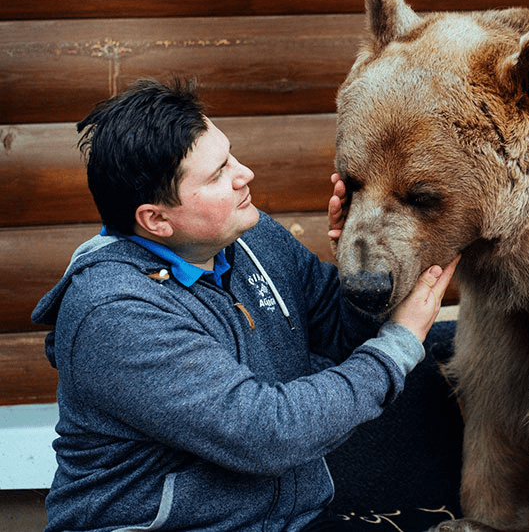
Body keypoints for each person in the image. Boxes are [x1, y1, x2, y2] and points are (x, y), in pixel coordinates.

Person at [31, 78, 459, 532]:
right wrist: (399, 345)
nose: (244, 174)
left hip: (288, 521)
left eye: (230, 155)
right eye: (217, 174)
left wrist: (356, 266)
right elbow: (268, 434)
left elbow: (338, 331)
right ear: (155, 219)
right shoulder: (116, 314)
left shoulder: (252, 236)